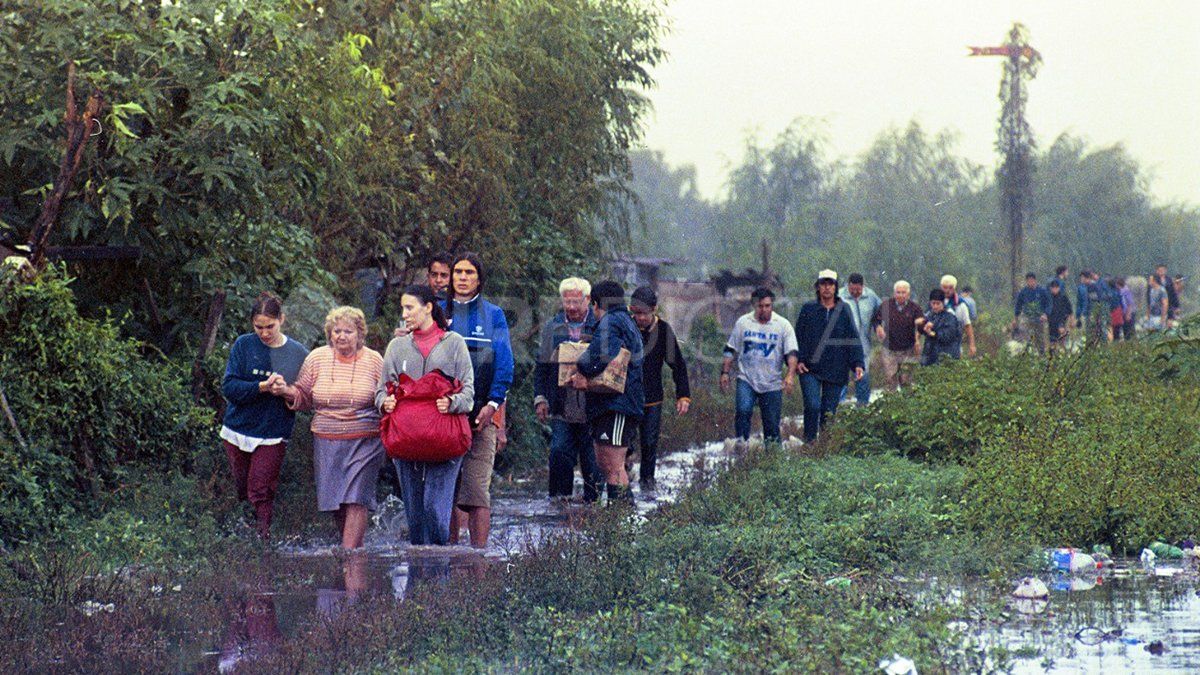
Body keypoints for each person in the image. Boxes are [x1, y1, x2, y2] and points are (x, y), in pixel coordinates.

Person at [278, 306, 385, 549]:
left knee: (357, 498)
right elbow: (303, 395)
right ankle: (355, 549)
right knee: (337, 502)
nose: (341, 336)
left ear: (360, 334)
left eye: (348, 331)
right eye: (336, 331)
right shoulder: (317, 358)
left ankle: (348, 557)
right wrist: (286, 391)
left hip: (365, 439)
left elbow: (386, 394)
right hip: (326, 439)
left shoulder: (374, 360)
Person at [376, 285, 475, 546]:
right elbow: (380, 390)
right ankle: (418, 580)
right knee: (415, 517)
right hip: (406, 440)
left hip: (446, 440)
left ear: (428, 307)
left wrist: (452, 402)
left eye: (410, 307)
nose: (405, 314)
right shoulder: (397, 347)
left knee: (435, 510)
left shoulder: (455, 344)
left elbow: (469, 393)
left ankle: (438, 577)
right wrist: (384, 402)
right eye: (403, 309)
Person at [220, 292, 310, 539]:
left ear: (282, 319)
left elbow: (306, 397)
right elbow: (229, 388)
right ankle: (244, 541)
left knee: (260, 489)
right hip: (237, 429)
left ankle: (263, 541)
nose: (264, 333)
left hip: (273, 432)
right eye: (258, 327)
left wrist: (286, 391)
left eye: (270, 326)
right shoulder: (243, 345)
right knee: (242, 489)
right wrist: (261, 387)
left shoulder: (298, 353)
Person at [445, 252, 514, 548]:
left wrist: (493, 405)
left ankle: (478, 557)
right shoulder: (435, 311)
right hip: (442, 415)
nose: (462, 277)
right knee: (445, 491)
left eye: (469, 272)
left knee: (476, 491)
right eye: (458, 272)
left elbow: (505, 364)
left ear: (479, 279)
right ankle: (445, 555)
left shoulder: (494, 315)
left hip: (481, 415)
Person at [570, 280, 644, 505]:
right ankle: (618, 517)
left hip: (617, 404)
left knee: (613, 466)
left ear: (595, 304)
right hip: (615, 404)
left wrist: (580, 367)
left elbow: (598, 356)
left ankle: (621, 519)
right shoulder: (625, 320)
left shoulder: (611, 321)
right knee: (608, 464)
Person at [535, 277, 604, 503]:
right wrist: (540, 398)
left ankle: (593, 508)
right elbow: (542, 365)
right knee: (559, 453)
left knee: (591, 459)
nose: (572, 308)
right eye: (567, 302)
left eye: (577, 302)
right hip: (563, 403)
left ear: (587, 300)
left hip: (593, 404)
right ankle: (558, 505)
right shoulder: (553, 327)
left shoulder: (600, 326)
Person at [628, 286, 690, 492]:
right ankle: (620, 482)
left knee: (649, 441)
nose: (639, 318)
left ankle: (647, 482)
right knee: (623, 443)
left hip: (652, 396)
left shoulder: (663, 331)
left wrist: (683, 395)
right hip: (626, 396)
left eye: (643, 314)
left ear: (654, 309)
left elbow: (678, 365)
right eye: (636, 313)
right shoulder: (627, 327)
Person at [720, 287, 798, 443]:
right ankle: (742, 449)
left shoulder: (783, 325)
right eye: (760, 306)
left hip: (772, 382)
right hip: (747, 378)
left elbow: (792, 353)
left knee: (771, 424)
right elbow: (730, 349)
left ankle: (773, 459)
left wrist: (790, 375)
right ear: (754, 305)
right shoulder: (743, 323)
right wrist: (725, 373)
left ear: (772, 305)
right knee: (743, 411)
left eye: (767, 306)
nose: (764, 310)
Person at [795, 270, 863, 442]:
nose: (826, 288)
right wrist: (799, 359)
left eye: (830, 284)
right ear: (818, 287)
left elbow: (852, 338)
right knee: (812, 406)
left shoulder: (844, 310)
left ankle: (824, 448)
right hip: (810, 368)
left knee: (828, 412)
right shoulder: (808, 309)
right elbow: (797, 337)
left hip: (836, 368)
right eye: (823, 284)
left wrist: (857, 363)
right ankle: (809, 444)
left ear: (835, 287)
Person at [838, 273, 881, 406]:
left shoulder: (871, 296)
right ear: (848, 286)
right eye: (852, 290)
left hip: (864, 345)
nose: (855, 293)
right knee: (841, 379)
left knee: (863, 378)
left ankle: (863, 410)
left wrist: (878, 326)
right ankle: (838, 412)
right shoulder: (839, 297)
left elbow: (879, 314)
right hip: (843, 346)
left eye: (858, 290)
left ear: (863, 286)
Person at [872, 280, 923, 390]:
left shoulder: (915, 308)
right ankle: (891, 405)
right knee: (890, 380)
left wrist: (918, 338)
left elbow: (921, 326)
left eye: (903, 292)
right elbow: (876, 320)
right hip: (889, 349)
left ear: (908, 294)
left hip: (908, 349)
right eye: (898, 292)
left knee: (906, 381)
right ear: (894, 293)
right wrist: (878, 327)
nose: (900, 295)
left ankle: (907, 405)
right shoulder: (886, 305)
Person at [918, 289, 962, 366]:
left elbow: (948, 336)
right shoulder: (929, 316)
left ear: (943, 303)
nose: (935, 306)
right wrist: (922, 327)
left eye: (938, 304)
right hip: (930, 356)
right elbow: (922, 330)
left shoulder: (950, 317)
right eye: (933, 303)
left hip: (946, 357)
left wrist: (933, 333)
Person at [1010, 272, 1050, 353]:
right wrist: (1015, 318)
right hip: (1027, 317)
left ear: (1035, 280)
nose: (1030, 282)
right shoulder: (1023, 292)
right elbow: (1018, 305)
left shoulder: (1042, 291)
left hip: (1039, 318)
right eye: (1028, 281)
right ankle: (1025, 352)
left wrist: (1045, 314)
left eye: (1031, 280)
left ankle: (1041, 355)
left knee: (1039, 339)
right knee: (1024, 334)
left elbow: (1048, 304)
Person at [940, 275, 976, 357]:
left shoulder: (961, 305)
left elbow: (967, 325)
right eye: (945, 288)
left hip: (955, 345)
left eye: (950, 288)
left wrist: (972, 345)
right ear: (941, 287)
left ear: (954, 288)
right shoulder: (935, 302)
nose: (947, 290)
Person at [1046, 280, 1074, 352]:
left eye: (1056, 288)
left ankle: (1065, 354)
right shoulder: (1048, 298)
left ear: (1059, 288)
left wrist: (1072, 321)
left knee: (1062, 340)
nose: (1054, 289)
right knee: (1052, 341)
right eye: (1053, 288)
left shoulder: (1063, 297)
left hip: (1062, 321)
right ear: (1050, 288)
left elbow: (1070, 310)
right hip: (1051, 322)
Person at [1115, 277, 1135, 341]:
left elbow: (1130, 304)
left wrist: (1128, 314)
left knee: (1127, 331)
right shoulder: (1120, 291)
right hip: (1122, 313)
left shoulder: (1126, 291)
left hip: (1127, 313)